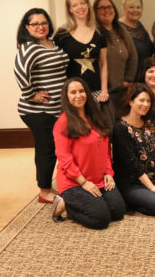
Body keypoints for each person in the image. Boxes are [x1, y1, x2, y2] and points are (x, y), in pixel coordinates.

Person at [51, 77, 125, 229]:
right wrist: (84, 183)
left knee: (118, 212)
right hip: (74, 181)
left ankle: (92, 202)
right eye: (73, 92)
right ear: (66, 97)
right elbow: (65, 159)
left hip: (98, 177)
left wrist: (108, 173)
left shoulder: (96, 116)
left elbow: (105, 150)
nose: (78, 95)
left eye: (81, 91)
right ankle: (66, 205)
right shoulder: (63, 123)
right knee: (101, 219)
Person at [14, 8, 69, 204]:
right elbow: (20, 72)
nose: (40, 27)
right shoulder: (29, 47)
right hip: (37, 111)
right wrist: (31, 94)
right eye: (35, 24)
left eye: (43, 22)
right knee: (46, 148)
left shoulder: (51, 43)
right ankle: (44, 190)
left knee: (53, 147)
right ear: (27, 27)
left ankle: (47, 185)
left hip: (54, 108)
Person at [112, 83, 155, 216]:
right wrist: (152, 188)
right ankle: (130, 203)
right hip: (132, 182)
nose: (146, 104)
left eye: (148, 101)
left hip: (153, 177)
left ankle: (148, 196)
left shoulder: (149, 123)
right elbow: (132, 164)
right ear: (131, 101)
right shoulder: (121, 127)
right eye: (141, 100)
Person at [54, 0, 109, 103]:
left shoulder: (99, 33)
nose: (80, 7)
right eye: (75, 5)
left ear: (88, 5)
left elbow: (103, 64)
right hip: (73, 94)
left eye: (82, 3)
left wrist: (104, 90)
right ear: (70, 10)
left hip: (96, 91)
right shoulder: (62, 34)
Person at [94, 0, 138, 110]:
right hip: (102, 94)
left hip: (121, 91)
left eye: (110, 7)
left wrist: (127, 80)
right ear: (95, 12)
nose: (107, 10)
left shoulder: (121, 30)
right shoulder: (94, 33)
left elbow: (133, 57)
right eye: (102, 8)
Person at [118, 0, 155, 82]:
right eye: (131, 7)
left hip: (144, 77)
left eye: (138, 7)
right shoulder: (118, 28)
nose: (135, 10)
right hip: (128, 81)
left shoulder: (139, 25)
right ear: (124, 8)